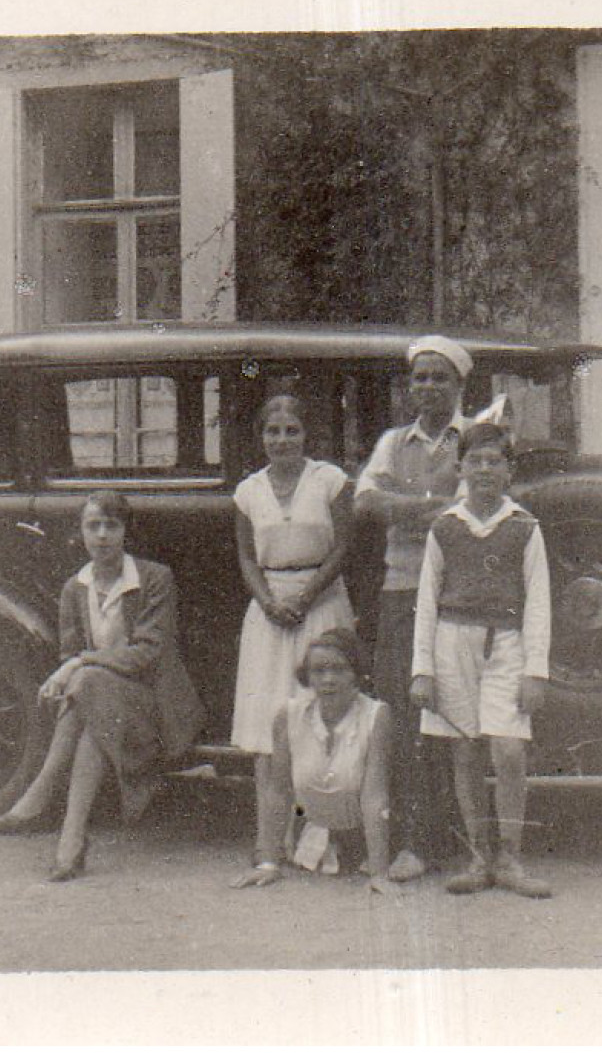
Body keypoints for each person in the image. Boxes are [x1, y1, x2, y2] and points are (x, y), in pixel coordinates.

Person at [0, 490, 204, 882]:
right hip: (104, 707)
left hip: (155, 705)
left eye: (112, 525)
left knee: (88, 682)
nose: (103, 535)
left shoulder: (155, 579)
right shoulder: (75, 588)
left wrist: (80, 662)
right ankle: (70, 844)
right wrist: (77, 664)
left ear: (125, 532)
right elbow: (70, 656)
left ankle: (43, 788)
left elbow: (147, 654)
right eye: (94, 526)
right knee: (92, 705)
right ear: (82, 532)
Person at [410, 421, 553, 899]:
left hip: (507, 643)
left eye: (495, 461)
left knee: (508, 750)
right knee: (465, 750)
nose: (485, 469)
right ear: (460, 468)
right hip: (453, 642)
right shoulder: (445, 527)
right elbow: (427, 600)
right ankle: (478, 857)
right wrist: (423, 669)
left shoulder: (524, 527)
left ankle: (510, 856)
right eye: (476, 461)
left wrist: (536, 671)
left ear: (509, 470)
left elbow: (539, 603)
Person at [354, 335, 471, 883]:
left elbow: (470, 509)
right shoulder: (392, 441)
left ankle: (454, 838)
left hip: (458, 589)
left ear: (459, 384)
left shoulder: (474, 437)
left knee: (452, 712)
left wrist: (405, 509)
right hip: (402, 586)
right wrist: (430, 506)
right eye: (420, 377)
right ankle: (413, 842)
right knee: (401, 709)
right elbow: (366, 501)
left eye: (439, 377)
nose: (428, 386)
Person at [230, 394, 355, 866]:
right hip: (269, 614)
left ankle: (323, 838)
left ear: (307, 435)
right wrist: (267, 601)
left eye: (292, 431)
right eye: (272, 432)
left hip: (320, 607)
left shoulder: (329, 482)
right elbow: (246, 556)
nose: (281, 441)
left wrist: (306, 597)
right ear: (261, 437)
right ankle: (272, 842)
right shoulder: (248, 491)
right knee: (270, 726)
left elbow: (343, 546)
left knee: (323, 720)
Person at [229, 629, 396, 895]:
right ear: (307, 676)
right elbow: (278, 791)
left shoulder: (376, 715)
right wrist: (268, 863)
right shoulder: (289, 715)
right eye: (318, 671)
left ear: (356, 673)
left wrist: (379, 873)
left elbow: (375, 796)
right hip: (308, 840)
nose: (328, 680)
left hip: (363, 842)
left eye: (339, 669)